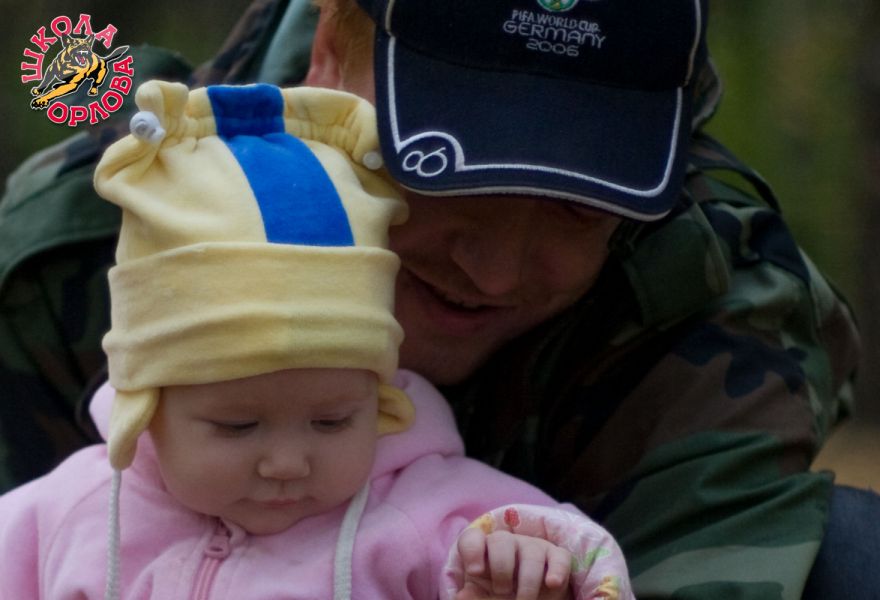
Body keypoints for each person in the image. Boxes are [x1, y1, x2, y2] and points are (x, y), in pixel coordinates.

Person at [0, 0, 873, 598]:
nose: (494, 271)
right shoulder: (95, 234)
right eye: (442, 170)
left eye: (577, 204)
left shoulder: (711, 303)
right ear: (328, 53)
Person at [0, 79, 634, 600]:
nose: (287, 463)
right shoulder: (65, 516)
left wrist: (529, 569)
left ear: (380, 397)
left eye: (332, 421)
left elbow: (582, 563)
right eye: (238, 426)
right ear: (148, 403)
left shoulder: (436, 523)